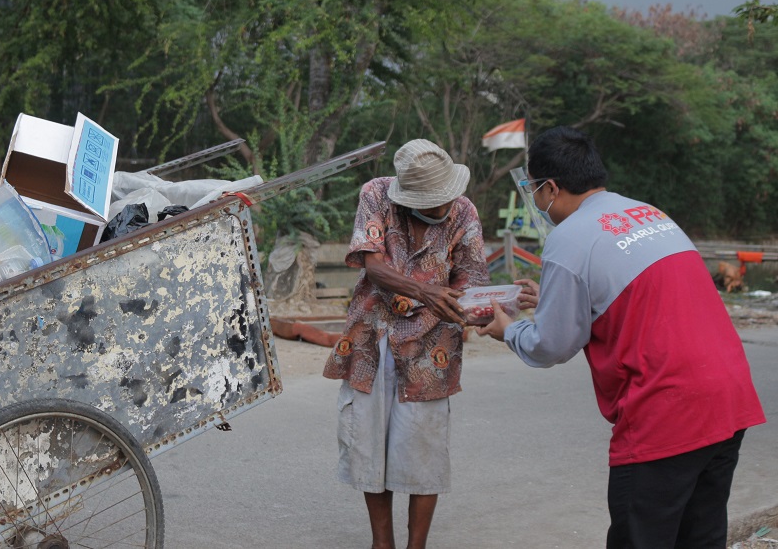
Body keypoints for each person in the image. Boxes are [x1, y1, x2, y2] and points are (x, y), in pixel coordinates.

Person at [477, 126, 766, 549]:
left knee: (640, 537)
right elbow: (637, 301)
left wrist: (510, 330)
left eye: (534, 191)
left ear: (550, 188)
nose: (537, 201)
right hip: (729, 400)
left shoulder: (568, 237)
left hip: (668, 412)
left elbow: (552, 345)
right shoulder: (650, 214)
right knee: (699, 538)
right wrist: (558, 300)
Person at [323, 139, 489, 549]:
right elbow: (374, 266)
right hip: (373, 336)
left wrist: (492, 307)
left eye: (443, 199)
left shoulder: (464, 211)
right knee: (369, 444)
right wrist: (427, 291)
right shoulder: (376, 194)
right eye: (429, 202)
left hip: (432, 350)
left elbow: (471, 280)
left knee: (423, 448)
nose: (439, 208)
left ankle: (417, 547)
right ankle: (383, 544)